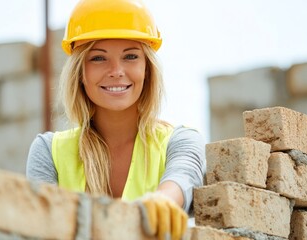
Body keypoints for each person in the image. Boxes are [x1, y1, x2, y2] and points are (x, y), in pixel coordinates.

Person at [26, 0, 206, 239]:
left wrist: (161, 201)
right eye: (98, 58)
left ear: (147, 69)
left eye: (130, 56)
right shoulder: (49, 152)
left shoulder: (181, 141)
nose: (116, 71)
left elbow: (182, 179)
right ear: (80, 72)